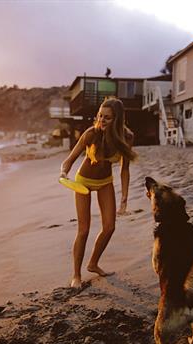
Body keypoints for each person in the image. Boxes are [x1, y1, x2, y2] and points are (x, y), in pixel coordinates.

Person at [59, 97, 137, 289]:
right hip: (83, 182)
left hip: (105, 182)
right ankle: (76, 275)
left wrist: (124, 198)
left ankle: (93, 263)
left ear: (117, 119)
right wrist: (63, 173)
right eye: (100, 116)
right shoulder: (90, 134)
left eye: (107, 118)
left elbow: (124, 169)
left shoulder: (127, 137)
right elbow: (69, 159)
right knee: (84, 230)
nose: (101, 120)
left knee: (110, 227)